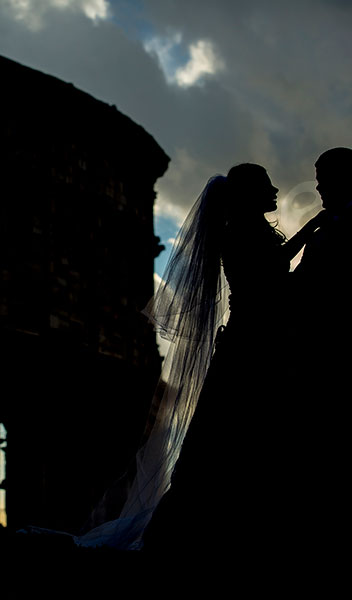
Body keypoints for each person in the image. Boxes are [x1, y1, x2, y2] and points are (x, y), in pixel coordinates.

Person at [75, 163, 324, 552]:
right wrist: (309, 234)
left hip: (253, 338)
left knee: (230, 434)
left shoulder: (246, 231)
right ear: (249, 194)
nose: (275, 191)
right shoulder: (239, 233)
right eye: (265, 186)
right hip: (250, 342)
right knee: (230, 434)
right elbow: (270, 273)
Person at [291, 147, 352, 556]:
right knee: (316, 444)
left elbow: (334, 285)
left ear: (344, 179)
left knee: (345, 442)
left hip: (340, 351)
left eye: (321, 177)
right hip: (313, 353)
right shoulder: (325, 227)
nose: (316, 185)